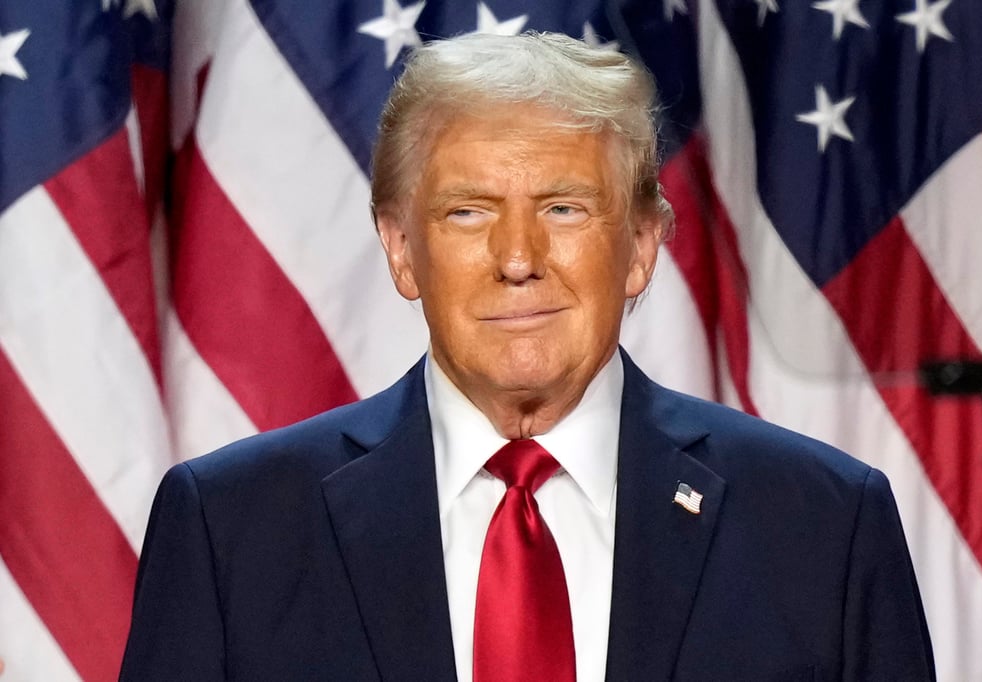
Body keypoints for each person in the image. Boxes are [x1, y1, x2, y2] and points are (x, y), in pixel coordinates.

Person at [120, 32, 934, 681]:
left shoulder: (823, 524)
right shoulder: (232, 528)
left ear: (644, 245)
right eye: (468, 212)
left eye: (565, 207)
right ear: (402, 251)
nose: (518, 256)